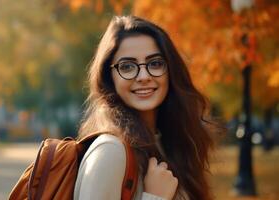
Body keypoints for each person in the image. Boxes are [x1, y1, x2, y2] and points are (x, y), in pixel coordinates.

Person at [73, 16, 222, 200]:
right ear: (109, 77)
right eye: (127, 66)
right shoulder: (110, 152)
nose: (143, 76)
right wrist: (154, 197)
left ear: (171, 71)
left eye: (155, 63)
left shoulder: (173, 143)